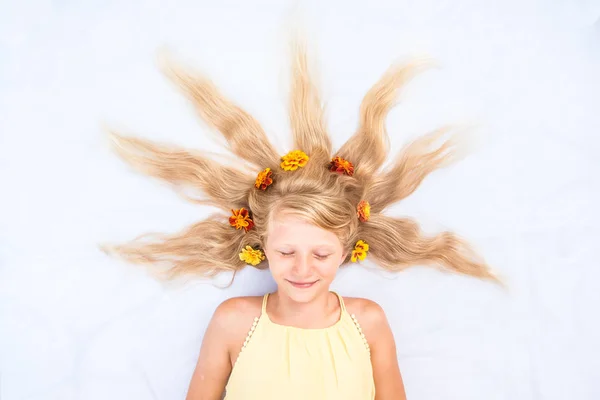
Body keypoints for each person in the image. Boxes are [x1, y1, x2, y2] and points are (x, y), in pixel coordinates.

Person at [102, 36, 498, 400]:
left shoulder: (368, 322)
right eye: (287, 251)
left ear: (345, 250)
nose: (302, 268)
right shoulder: (233, 322)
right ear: (261, 246)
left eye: (321, 254)